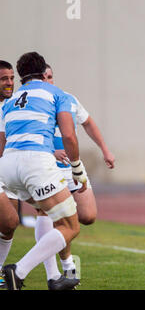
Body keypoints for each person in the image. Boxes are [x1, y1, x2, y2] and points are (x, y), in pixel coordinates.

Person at [0, 52, 87, 290]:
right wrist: (78, 168)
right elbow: (68, 135)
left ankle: (54, 277)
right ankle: (17, 271)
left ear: (20, 75)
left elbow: (2, 141)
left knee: (43, 212)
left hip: (8, 167)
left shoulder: (9, 100)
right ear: (43, 72)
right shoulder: (58, 94)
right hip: (36, 163)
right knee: (70, 226)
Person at [37, 63, 115, 280]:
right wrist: (51, 152)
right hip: (46, 169)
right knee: (58, 217)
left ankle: (61, 260)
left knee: (88, 216)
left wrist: (105, 150)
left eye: (50, 76)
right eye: (43, 77)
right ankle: (65, 265)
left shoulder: (67, 99)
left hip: (73, 168)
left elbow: (88, 122)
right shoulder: (34, 103)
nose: (48, 81)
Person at [0, 61, 20, 286]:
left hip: (9, 170)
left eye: (12, 78)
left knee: (8, 226)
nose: (9, 83)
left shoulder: (14, 105)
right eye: (4, 79)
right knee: (10, 220)